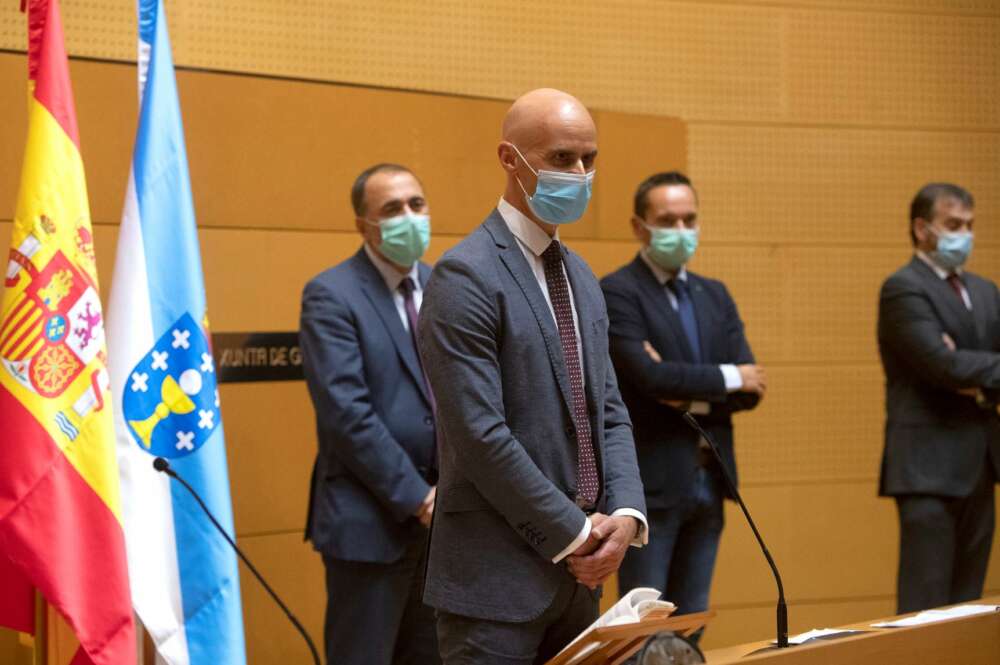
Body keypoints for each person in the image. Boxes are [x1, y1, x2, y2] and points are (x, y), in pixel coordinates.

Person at [417, 88, 648, 665]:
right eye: (561, 158)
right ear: (509, 158)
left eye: (589, 160)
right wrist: (575, 533)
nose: (580, 174)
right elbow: (479, 435)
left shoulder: (583, 277)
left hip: (579, 586)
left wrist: (624, 514)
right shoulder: (464, 275)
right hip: (493, 591)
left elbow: (610, 413)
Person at [601, 171, 764, 629]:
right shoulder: (617, 291)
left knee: (691, 622)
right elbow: (649, 377)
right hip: (650, 487)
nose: (681, 230)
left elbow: (752, 391)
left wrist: (684, 391)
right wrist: (728, 378)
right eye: (667, 219)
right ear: (639, 226)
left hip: (710, 480)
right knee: (640, 625)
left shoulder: (715, 294)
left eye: (689, 219)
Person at [299, 163, 440, 665]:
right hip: (371, 523)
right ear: (363, 224)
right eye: (392, 210)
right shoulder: (331, 295)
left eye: (416, 205)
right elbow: (347, 415)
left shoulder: (445, 285)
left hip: (446, 530)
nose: (409, 218)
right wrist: (421, 499)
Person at [878, 182, 1000, 614]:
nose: (963, 235)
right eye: (953, 224)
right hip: (926, 469)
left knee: (969, 609)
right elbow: (940, 365)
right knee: (926, 608)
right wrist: (969, 369)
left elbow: (963, 368)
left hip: (982, 464)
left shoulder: (985, 291)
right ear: (922, 228)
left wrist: (971, 369)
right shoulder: (902, 288)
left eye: (969, 225)